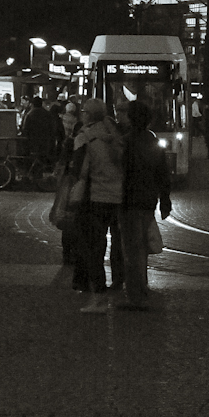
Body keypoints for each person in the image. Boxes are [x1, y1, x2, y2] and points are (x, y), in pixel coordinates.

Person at [70, 98, 125, 313]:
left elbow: (79, 170)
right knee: (119, 245)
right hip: (118, 196)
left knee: (93, 247)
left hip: (97, 197)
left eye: (84, 112)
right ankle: (121, 285)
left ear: (88, 115)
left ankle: (98, 296)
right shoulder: (116, 135)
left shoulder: (86, 137)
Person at [118, 101, 172, 310]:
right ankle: (141, 288)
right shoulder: (153, 140)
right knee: (141, 248)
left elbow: (121, 172)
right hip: (148, 200)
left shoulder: (126, 142)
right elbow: (163, 174)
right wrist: (165, 200)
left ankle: (136, 296)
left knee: (132, 250)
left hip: (129, 200)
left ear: (131, 119)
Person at [21, 96, 57, 177]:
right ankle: (39, 176)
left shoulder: (30, 114)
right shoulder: (47, 114)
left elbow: (25, 129)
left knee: (31, 159)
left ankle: (31, 176)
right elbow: (52, 128)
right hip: (45, 141)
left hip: (32, 141)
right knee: (41, 159)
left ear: (32, 104)